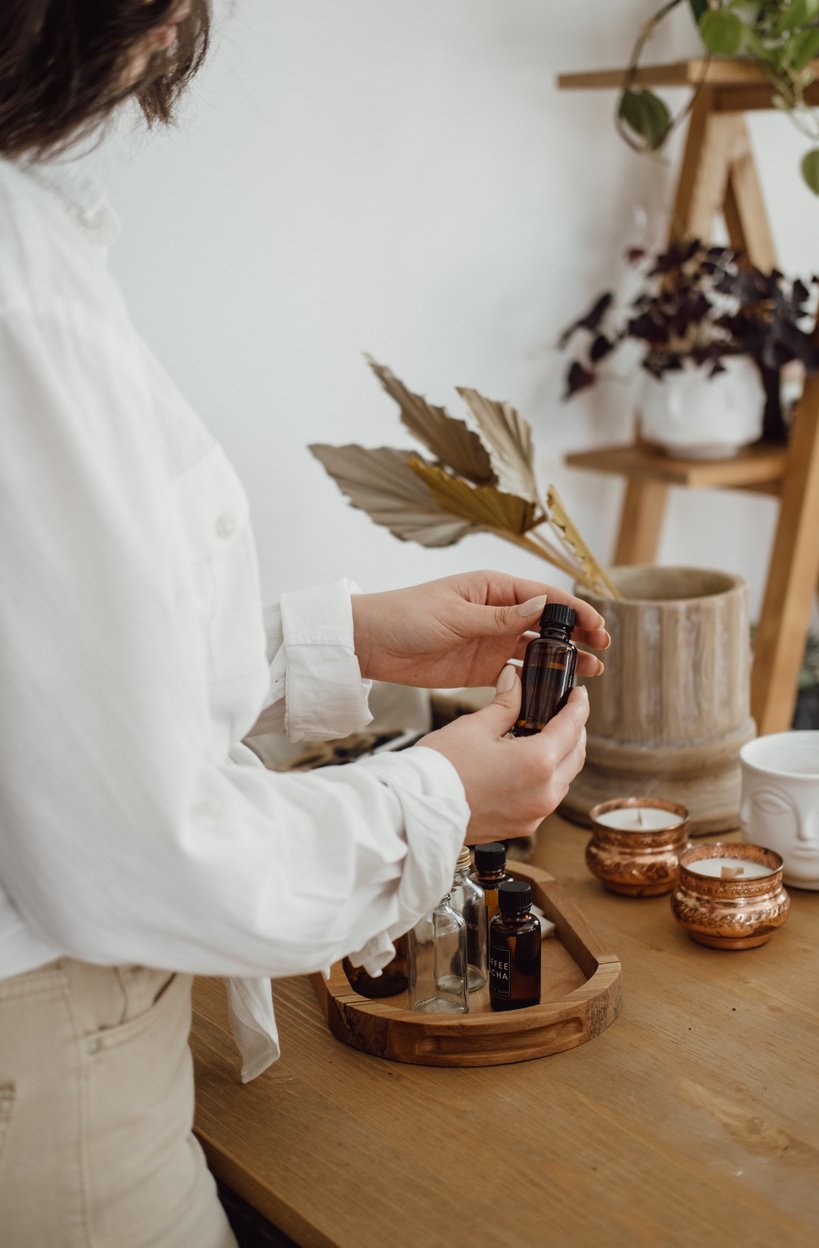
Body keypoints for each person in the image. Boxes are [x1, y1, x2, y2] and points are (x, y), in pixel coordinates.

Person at [0, 4, 610, 1246]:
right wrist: (440, 799)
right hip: (47, 1065)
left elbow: (46, 681)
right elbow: (144, 844)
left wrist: (348, 641)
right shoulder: (21, 299)